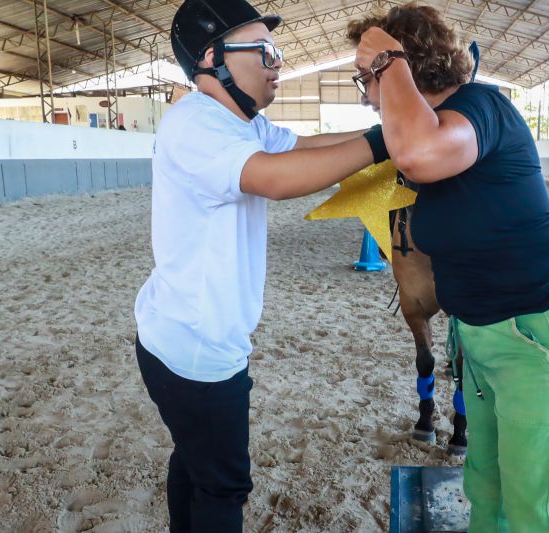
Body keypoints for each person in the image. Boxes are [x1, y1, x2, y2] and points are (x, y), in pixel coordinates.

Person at [348, 5, 549, 532]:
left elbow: (420, 155)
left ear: (402, 66)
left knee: (534, 511)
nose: (364, 92)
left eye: (364, 77)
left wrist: (388, 61)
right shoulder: (421, 130)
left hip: (538, 339)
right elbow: (343, 153)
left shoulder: (482, 106)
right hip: (483, 338)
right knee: (485, 489)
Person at [133, 1, 388, 531]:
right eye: (265, 51)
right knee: (223, 487)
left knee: (195, 460)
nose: (278, 63)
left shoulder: (243, 123)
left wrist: (384, 132)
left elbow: (306, 147)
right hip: (198, 349)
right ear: (211, 58)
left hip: (183, 333)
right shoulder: (196, 122)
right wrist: (384, 142)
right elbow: (274, 178)